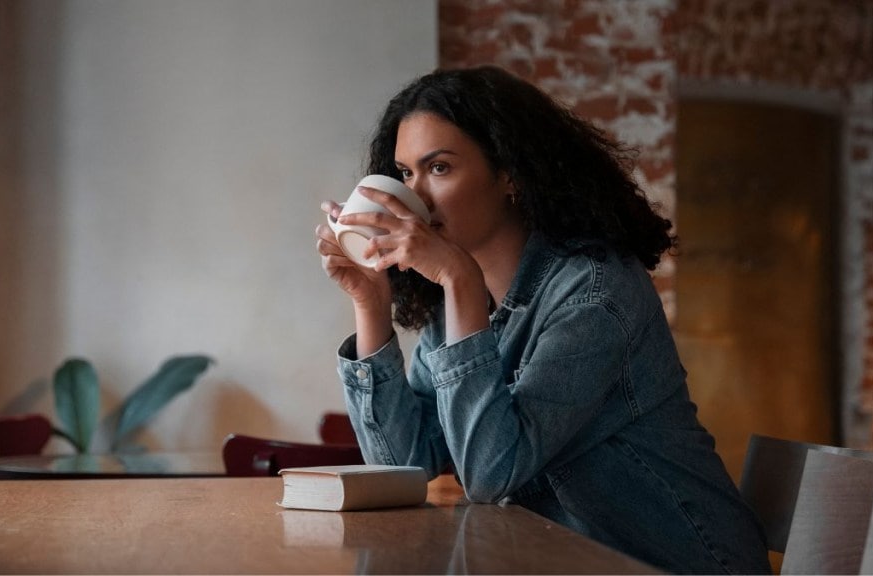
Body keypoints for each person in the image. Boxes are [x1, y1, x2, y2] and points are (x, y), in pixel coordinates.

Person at [314, 65, 770, 574]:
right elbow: (402, 468)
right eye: (405, 174)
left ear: (510, 174)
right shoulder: (459, 302)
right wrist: (371, 303)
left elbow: (491, 474)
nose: (416, 196)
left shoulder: (595, 291)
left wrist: (459, 280)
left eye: (439, 168)